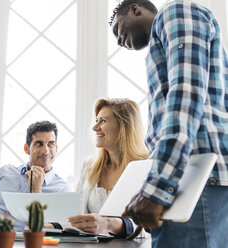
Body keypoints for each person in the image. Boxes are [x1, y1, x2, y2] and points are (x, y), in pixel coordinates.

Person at [110, 0, 228, 247]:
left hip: (195, 181)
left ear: (135, 9)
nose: (118, 41)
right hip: (185, 183)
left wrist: (157, 190)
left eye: (117, 29)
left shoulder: (176, 12)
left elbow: (186, 96)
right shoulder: (161, 42)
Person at [53, 98, 148, 239]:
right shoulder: (90, 166)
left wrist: (109, 224)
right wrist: (53, 226)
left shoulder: (146, 167)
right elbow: (77, 216)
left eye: (103, 121)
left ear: (124, 126)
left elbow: (151, 225)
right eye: (96, 120)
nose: (95, 127)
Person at [0, 121, 71, 231]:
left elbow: (51, 231)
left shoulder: (63, 189)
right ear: (26, 148)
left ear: (56, 149)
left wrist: (36, 191)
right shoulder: (4, 173)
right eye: (39, 143)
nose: (46, 150)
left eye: (51, 144)